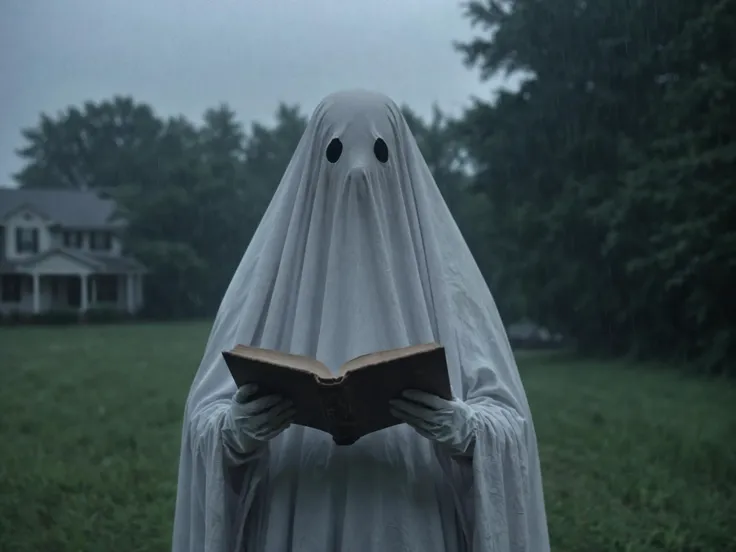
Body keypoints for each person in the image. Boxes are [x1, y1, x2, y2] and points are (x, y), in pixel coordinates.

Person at [172, 90, 550, 552]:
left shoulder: (451, 286)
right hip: (294, 514)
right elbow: (203, 417)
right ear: (312, 169)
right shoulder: (266, 286)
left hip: (414, 517)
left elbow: (510, 420)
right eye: (335, 153)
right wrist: (234, 430)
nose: (356, 170)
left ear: (403, 168)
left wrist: (465, 428)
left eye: (379, 153)